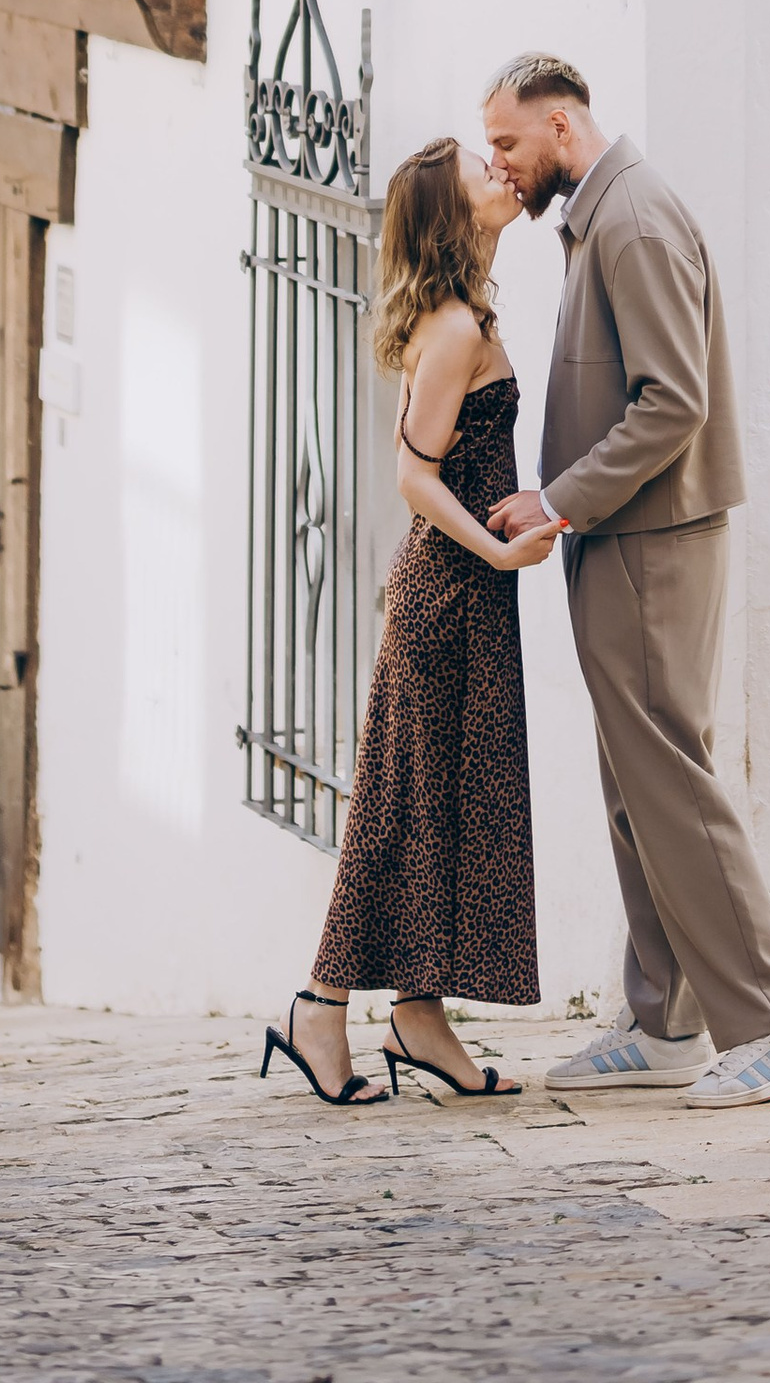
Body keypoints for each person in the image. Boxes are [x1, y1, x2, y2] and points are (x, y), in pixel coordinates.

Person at [480, 53, 770, 1110]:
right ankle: (665, 1016)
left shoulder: (634, 221)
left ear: (563, 126)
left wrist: (559, 497)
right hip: (618, 535)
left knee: (668, 772)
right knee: (634, 779)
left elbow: (673, 404)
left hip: (653, 535)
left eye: (510, 145)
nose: (501, 166)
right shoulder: (599, 218)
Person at [261, 136, 559, 1110]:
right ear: (447, 212)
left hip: (469, 598)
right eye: (482, 168)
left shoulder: (467, 312)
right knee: (400, 813)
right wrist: (498, 546)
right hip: (446, 598)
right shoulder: (452, 331)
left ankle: (419, 1017)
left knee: (441, 815)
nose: (500, 172)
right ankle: (320, 1004)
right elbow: (412, 475)